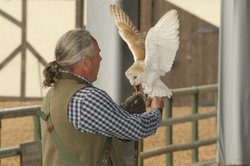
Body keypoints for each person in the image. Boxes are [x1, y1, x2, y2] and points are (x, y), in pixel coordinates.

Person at [40, 28, 163, 166]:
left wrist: (120, 112)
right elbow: (137, 129)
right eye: (98, 54)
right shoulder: (87, 98)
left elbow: (87, 129)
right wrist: (156, 111)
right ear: (86, 61)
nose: (101, 59)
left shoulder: (52, 95)